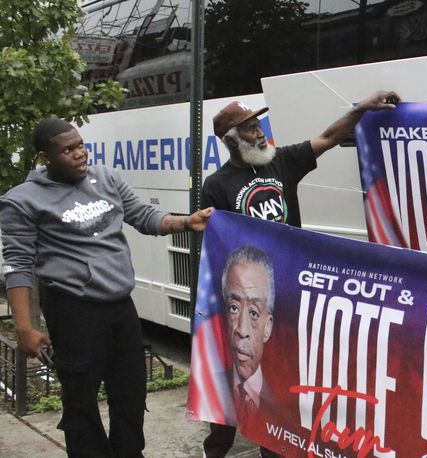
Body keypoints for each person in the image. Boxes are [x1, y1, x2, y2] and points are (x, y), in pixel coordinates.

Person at [201, 90, 400, 457]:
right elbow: (214, 246)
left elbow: (327, 138)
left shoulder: (283, 161)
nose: (259, 133)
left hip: (290, 295)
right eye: (248, 129)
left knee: (281, 378)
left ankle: (275, 447)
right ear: (230, 139)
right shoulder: (216, 186)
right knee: (237, 379)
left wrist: (361, 107)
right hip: (249, 301)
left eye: (258, 125)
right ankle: (216, 446)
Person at [0, 118, 213, 457]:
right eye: (67, 150)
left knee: (130, 392)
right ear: (44, 158)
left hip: (120, 306)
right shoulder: (22, 201)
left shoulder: (106, 177)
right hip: (73, 310)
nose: (79, 154)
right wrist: (25, 328)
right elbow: (17, 266)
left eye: (80, 145)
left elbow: (143, 215)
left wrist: (186, 222)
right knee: (81, 401)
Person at [220, 246, 283, 427]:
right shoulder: (211, 390)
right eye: (234, 308)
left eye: (254, 313)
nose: (242, 329)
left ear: (267, 327)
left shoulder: (283, 402)